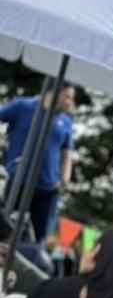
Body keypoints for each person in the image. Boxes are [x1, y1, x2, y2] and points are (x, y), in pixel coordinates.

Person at [0, 85, 75, 242]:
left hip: (47, 187)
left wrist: (64, 180)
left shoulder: (66, 122)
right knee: (4, 228)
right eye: (67, 97)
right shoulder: (23, 106)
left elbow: (67, 153)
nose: (70, 102)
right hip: (17, 180)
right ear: (53, 92)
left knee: (38, 237)